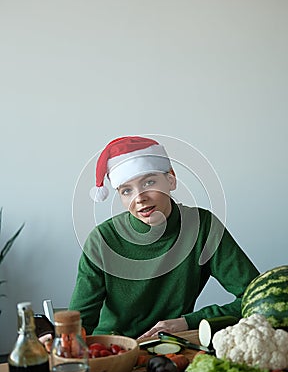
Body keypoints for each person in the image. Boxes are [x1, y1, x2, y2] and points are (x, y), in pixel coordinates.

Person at [69, 136, 259, 339]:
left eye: (149, 182)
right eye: (126, 190)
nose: (139, 198)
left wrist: (188, 321)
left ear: (171, 179)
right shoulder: (102, 240)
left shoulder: (203, 226)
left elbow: (258, 298)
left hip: (177, 346)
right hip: (115, 350)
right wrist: (58, 339)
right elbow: (78, 323)